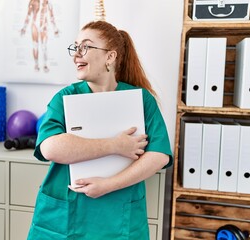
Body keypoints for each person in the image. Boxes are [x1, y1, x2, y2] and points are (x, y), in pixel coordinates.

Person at [27, 20, 173, 240]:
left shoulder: (141, 100)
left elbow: (159, 155)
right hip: (65, 217)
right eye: (75, 47)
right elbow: (50, 148)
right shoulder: (64, 98)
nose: (76, 54)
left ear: (110, 56)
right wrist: (115, 145)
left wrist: (108, 185)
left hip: (119, 214)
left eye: (85, 46)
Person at [21, 0, 59, 73]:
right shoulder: (33, 2)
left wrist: (55, 29)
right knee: (35, 46)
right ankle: (36, 64)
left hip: (44, 26)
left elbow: (51, 16)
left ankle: (45, 64)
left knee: (44, 46)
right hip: (35, 25)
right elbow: (28, 15)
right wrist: (24, 27)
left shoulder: (48, 3)